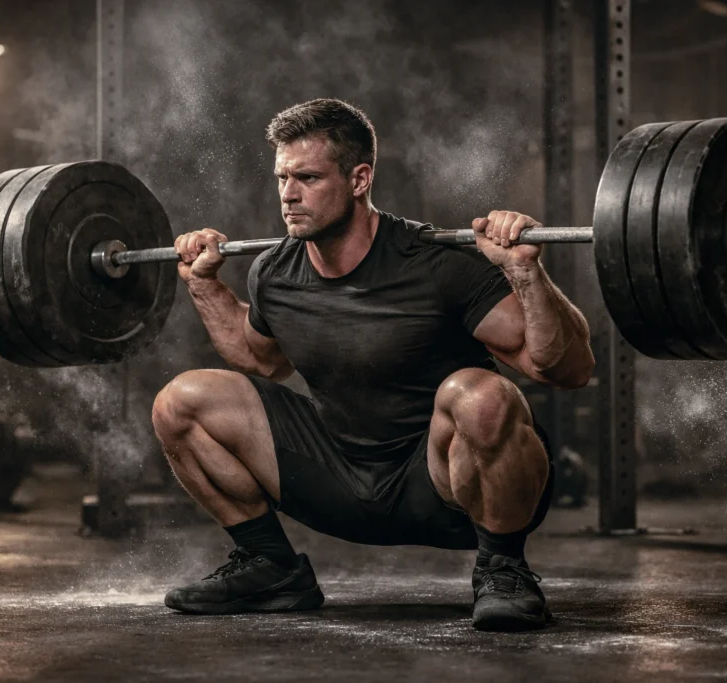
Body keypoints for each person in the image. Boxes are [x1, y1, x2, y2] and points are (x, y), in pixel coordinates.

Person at [152, 98, 594, 632]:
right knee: (181, 402)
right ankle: (270, 566)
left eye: (308, 178)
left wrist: (525, 274)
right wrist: (203, 285)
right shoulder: (275, 272)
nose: (288, 195)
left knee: (481, 395)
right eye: (282, 178)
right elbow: (259, 360)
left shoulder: (437, 265)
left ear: (359, 179)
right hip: (337, 479)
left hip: (442, 490)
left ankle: (503, 568)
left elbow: (564, 368)